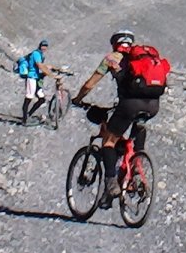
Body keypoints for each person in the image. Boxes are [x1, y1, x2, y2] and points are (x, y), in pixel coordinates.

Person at [73, 30, 166, 159]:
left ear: (114, 43)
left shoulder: (112, 58)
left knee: (109, 142)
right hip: (154, 104)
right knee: (137, 130)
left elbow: (89, 85)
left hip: (130, 105)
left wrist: (77, 99)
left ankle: (110, 178)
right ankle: (138, 162)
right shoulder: (143, 59)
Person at [15, 40, 57, 125]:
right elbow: (39, 65)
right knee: (29, 97)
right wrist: (50, 74)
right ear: (40, 46)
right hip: (32, 78)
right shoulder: (36, 54)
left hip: (36, 78)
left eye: (45, 46)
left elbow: (41, 65)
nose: (44, 48)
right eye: (43, 46)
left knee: (42, 99)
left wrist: (53, 68)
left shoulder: (40, 54)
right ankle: (24, 119)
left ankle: (28, 115)